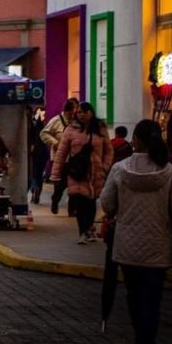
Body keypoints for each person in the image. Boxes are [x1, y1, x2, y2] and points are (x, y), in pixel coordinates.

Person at [100, 119, 172, 344]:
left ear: (137, 141)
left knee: (134, 298)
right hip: (157, 246)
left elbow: (108, 203)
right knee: (151, 302)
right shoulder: (170, 172)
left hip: (127, 246)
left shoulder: (120, 169)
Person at [50, 101, 113, 244]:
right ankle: (83, 232)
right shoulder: (70, 129)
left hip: (96, 173)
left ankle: (88, 229)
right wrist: (55, 174)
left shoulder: (100, 128)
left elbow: (108, 150)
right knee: (79, 201)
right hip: (76, 172)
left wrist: (105, 166)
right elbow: (61, 153)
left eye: (84, 111)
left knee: (91, 202)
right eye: (79, 112)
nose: (81, 115)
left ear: (91, 113)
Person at [40, 98, 79, 214]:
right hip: (61, 159)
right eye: (71, 113)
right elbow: (43, 133)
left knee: (74, 184)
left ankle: (72, 209)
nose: (73, 115)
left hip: (74, 158)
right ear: (66, 111)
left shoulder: (76, 123)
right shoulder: (56, 121)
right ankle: (55, 200)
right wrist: (55, 143)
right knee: (61, 185)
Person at [28, 107, 48, 204]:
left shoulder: (31, 124)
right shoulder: (46, 124)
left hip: (34, 152)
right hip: (43, 151)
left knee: (33, 173)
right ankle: (37, 193)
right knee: (39, 174)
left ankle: (34, 190)